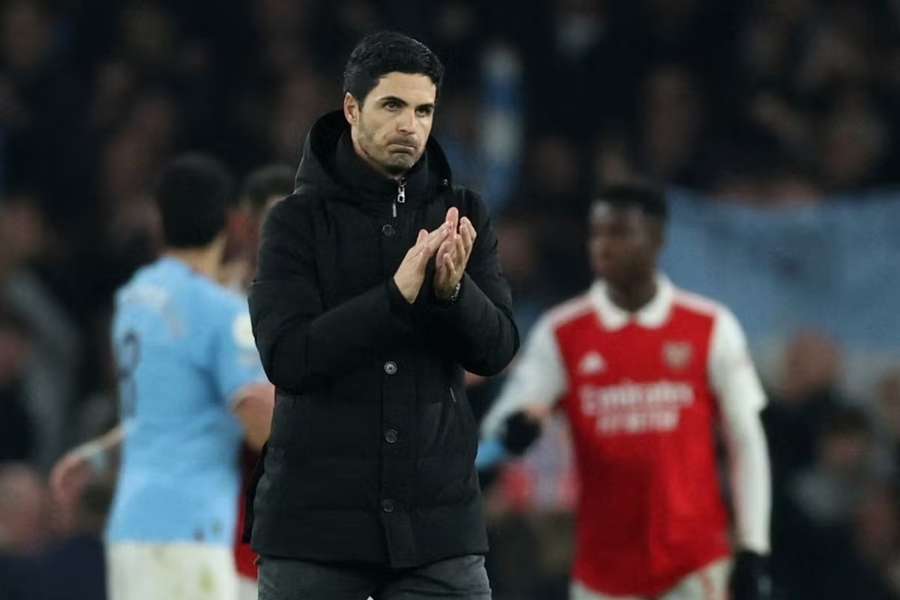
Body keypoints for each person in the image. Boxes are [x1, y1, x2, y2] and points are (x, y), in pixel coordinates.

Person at [247, 31, 518, 599]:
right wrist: (394, 299)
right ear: (351, 108)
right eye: (392, 105)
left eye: (424, 110)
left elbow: (496, 350)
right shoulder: (294, 222)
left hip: (438, 531)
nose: (410, 125)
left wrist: (452, 294)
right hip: (314, 533)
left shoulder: (463, 213)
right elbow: (288, 358)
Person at [480, 183, 773, 600]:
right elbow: (505, 423)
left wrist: (753, 546)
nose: (605, 246)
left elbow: (747, 442)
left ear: (657, 240)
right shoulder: (562, 333)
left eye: (620, 233)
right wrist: (515, 430)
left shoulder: (709, 327)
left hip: (695, 567)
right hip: (603, 576)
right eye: (597, 233)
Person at [50, 154, 275, 600]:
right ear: (232, 223)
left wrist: (98, 455)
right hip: (191, 532)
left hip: (134, 528)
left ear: (158, 220)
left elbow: (160, 413)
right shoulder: (220, 313)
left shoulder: (136, 301)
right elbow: (257, 420)